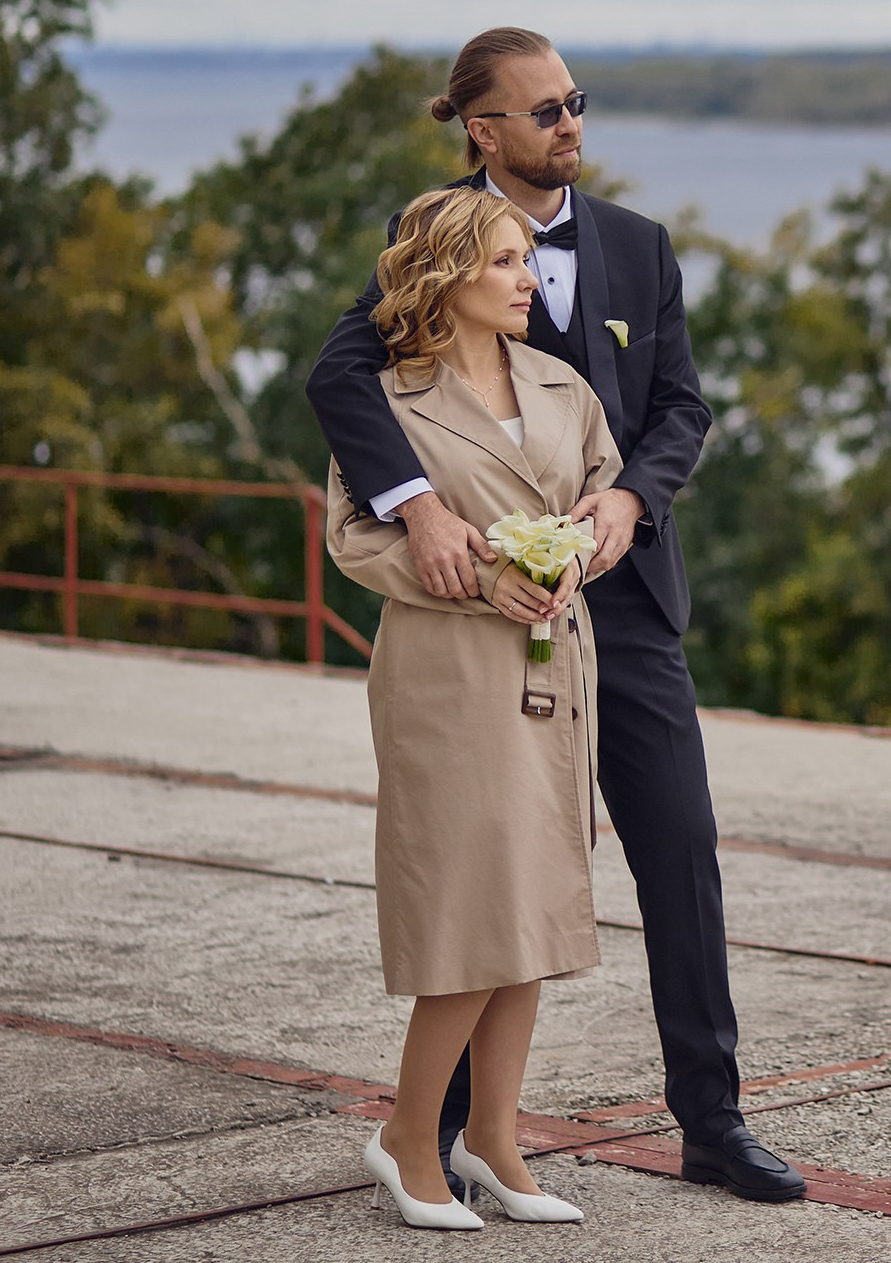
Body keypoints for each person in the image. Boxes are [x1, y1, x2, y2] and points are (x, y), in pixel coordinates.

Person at [306, 27, 807, 1203]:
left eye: (577, 102)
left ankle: (713, 1120)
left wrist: (632, 498)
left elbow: (681, 405)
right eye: (544, 111)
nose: (570, 124)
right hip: (486, 615)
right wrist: (420, 509)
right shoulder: (427, 239)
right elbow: (341, 379)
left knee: (678, 846)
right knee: (502, 858)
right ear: (482, 131)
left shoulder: (638, 248)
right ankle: (457, 1132)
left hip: (623, 608)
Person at [325, 185, 619, 1230]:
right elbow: (355, 538)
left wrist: (582, 545)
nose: (527, 279)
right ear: (447, 274)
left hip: (553, 665)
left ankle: (494, 1139)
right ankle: (411, 1137)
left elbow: (598, 490)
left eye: (526, 262)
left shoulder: (561, 384)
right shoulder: (391, 400)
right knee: (468, 904)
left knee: (533, 902)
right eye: (503, 263)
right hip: (448, 672)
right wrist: (471, 571)